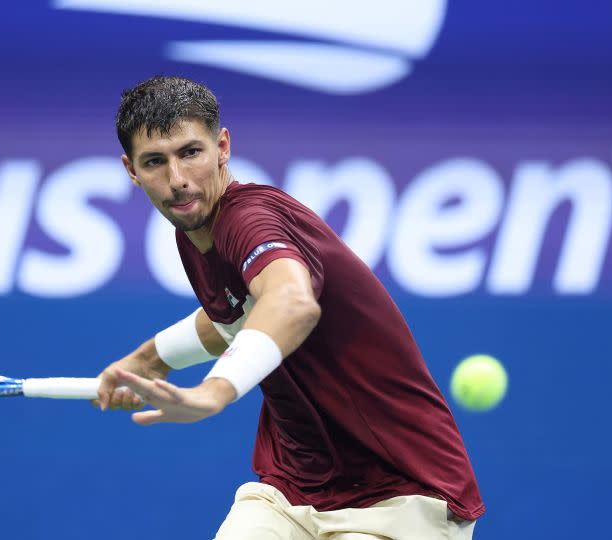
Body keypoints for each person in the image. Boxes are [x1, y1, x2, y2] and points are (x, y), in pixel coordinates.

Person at [95, 76, 484, 540]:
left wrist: (214, 390)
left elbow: (292, 302)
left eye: (190, 153)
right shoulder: (194, 230)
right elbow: (234, 316)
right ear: (131, 169)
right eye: (155, 162)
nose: (177, 180)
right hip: (292, 492)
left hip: (403, 493)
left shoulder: (249, 219)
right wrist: (149, 361)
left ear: (222, 146)